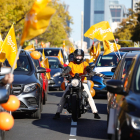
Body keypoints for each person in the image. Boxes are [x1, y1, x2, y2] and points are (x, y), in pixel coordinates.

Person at [53, 49, 100, 119]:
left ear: (82, 57)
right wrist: (64, 73)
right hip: (73, 82)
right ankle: (57, 113)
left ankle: (95, 113)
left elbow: (88, 68)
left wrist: (90, 72)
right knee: (64, 96)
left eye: (80, 56)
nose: (78, 57)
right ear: (74, 56)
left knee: (89, 96)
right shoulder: (71, 63)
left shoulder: (84, 63)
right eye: (77, 56)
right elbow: (68, 69)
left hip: (82, 82)